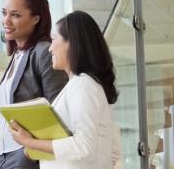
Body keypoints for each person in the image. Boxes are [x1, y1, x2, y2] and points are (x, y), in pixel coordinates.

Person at [9, 10, 121, 169]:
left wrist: (30, 142)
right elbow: (113, 150)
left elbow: (83, 145)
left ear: (72, 43)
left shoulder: (82, 85)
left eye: (54, 39)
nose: (50, 48)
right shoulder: (85, 85)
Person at [0, 0, 69, 169]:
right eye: (5, 13)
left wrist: (29, 152)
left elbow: (59, 110)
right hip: (4, 155)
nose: (6, 21)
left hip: (26, 155)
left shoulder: (43, 52)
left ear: (35, 18)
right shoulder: (18, 55)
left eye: (16, 15)